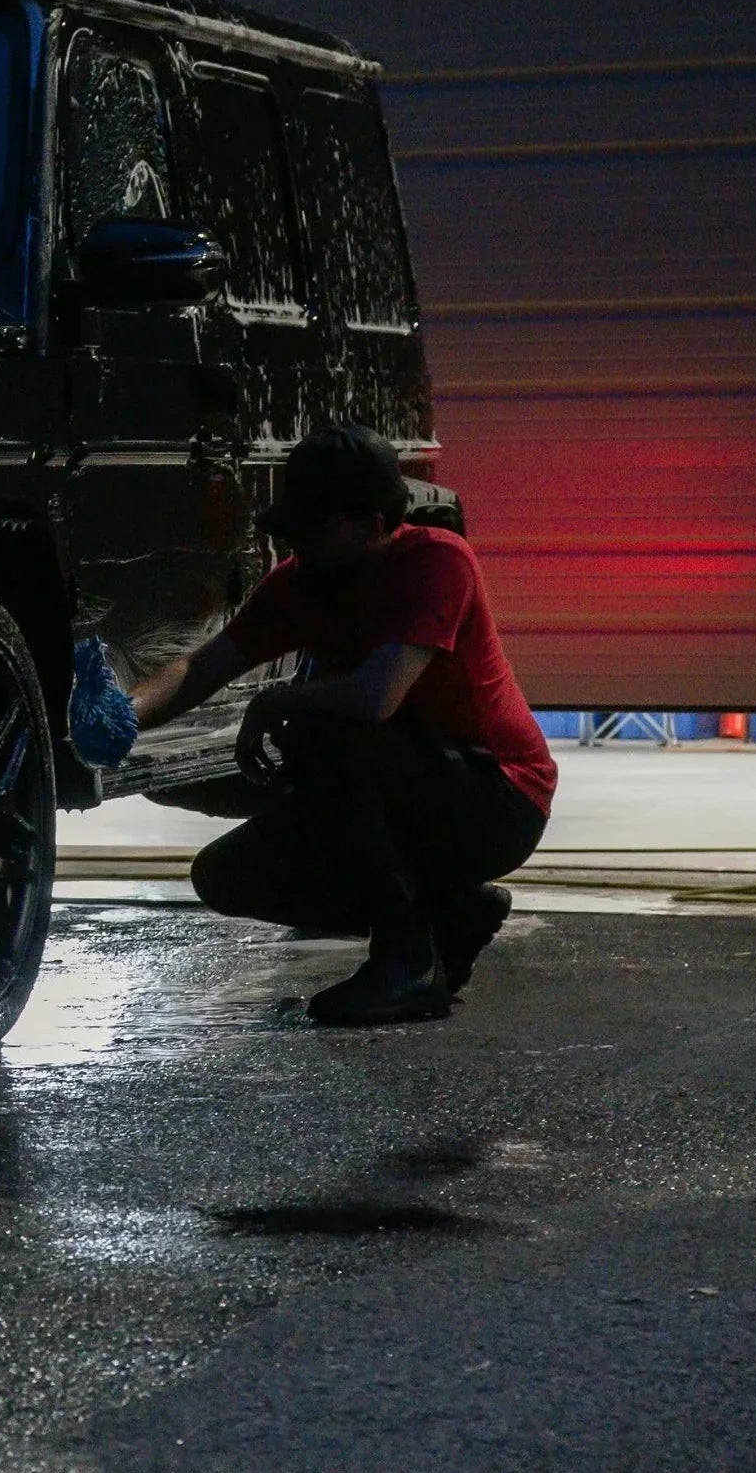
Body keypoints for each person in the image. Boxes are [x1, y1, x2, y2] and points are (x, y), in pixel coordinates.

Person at [71, 423, 554, 1026]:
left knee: (323, 731)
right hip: (408, 791)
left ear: (373, 524)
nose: (295, 545)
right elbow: (202, 666)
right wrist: (120, 713)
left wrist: (275, 704)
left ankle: (404, 964)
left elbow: (378, 697)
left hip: (496, 799)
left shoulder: (435, 562)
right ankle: (445, 914)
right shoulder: (304, 580)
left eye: (313, 529)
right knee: (228, 876)